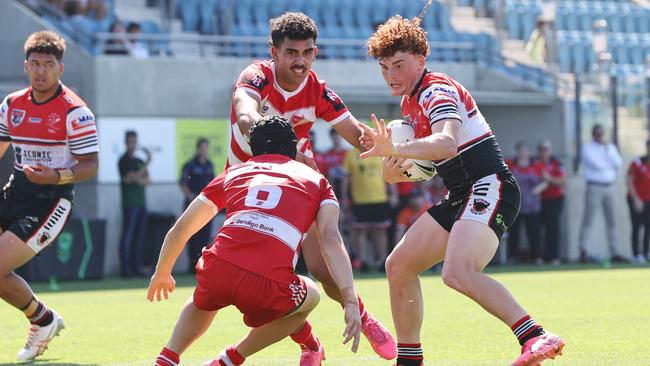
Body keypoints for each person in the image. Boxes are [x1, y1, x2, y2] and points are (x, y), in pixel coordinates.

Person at [362, 16, 565, 366]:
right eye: (384, 67)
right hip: (461, 193)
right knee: (399, 265)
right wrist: (395, 173)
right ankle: (409, 360)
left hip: (489, 184)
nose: (391, 75)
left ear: (421, 60)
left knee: (457, 271)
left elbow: (446, 144)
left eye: (399, 65)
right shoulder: (409, 103)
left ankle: (536, 336)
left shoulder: (435, 89)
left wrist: (396, 151)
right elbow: (427, 165)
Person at [226, 12, 396, 360]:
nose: (300, 61)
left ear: (314, 53)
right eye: (291, 53)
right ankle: (309, 344)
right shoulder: (256, 76)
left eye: (307, 53)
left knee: (322, 268)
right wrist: (264, 132)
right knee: (259, 283)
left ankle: (361, 315)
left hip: (297, 183)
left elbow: (354, 133)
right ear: (273, 52)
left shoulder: (318, 90)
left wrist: (394, 149)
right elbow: (244, 111)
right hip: (247, 186)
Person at [148, 116, 361, 366]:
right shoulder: (317, 181)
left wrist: (162, 272)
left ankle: (168, 357)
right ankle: (230, 359)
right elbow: (331, 240)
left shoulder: (234, 172)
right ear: (293, 148)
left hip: (218, 267)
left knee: (204, 298)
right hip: (267, 282)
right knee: (309, 297)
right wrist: (350, 299)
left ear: (253, 148)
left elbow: (181, 228)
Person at [0, 31, 99, 361]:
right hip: (15, 192)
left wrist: (56, 175)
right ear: (25, 65)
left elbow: (90, 165)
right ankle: (43, 320)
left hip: (52, 201)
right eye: (35, 64)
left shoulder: (76, 112)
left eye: (49, 64)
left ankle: (42, 320)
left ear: (61, 68)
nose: (41, 70)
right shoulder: (12, 104)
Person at [341, 148, 395, 272]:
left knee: (380, 231)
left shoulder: (381, 152)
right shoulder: (351, 154)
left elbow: (389, 174)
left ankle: (382, 262)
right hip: (360, 200)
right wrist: (344, 198)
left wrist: (393, 193)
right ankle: (363, 262)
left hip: (380, 199)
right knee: (360, 231)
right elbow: (346, 179)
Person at [578, 124, 625, 263]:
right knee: (588, 219)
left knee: (612, 221)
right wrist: (608, 163)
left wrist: (606, 150)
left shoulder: (610, 147)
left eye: (602, 134)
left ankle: (615, 251)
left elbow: (618, 162)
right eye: (597, 134)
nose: (600, 137)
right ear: (593, 134)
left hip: (610, 186)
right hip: (594, 186)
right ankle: (583, 250)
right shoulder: (587, 148)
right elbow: (596, 164)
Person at [507, 142, 546, 264]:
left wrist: (538, 189)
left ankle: (537, 257)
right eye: (521, 150)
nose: (523, 153)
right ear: (517, 152)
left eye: (526, 150)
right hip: (516, 204)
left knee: (534, 232)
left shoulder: (537, 165)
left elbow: (545, 181)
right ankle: (512, 257)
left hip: (533, 204)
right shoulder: (510, 164)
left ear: (529, 153)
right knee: (514, 232)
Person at [179, 137, 215, 272]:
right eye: (202, 148)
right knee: (191, 235)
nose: (204, 151)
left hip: (206, 207)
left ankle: (201, 264)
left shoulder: (209, 165)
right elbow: (183, 183)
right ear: (198, 149)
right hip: (192, 206)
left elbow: (212, 183)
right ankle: (191, 265)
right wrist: (192, 198)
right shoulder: (190, 165)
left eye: (206, 148)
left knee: (205, 235)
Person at [118, 130, 151, 277]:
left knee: (140, 237)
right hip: (129, 204)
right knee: (128, 236)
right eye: (130, 141)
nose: (132, 144)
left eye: (134, 141)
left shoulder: (139, 161)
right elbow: (128, 179)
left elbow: (147, 180)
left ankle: (137, 267)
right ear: (126, 142)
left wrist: (137, 178)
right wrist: (146, 166)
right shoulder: (123, 160)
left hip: (141, 203)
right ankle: (125, 269)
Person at [536, 140, 566, 266]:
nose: (544, 152)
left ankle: (553, 257)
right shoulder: (535, 163)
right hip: (537, 200)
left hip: (554, 199)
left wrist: (549, 179)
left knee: (553, 228)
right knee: (537, 229)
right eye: (542, 149)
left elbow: (563, 182)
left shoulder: (557, 164)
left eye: (547, 149)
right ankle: (538, 257)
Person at [626, 139, 650, 264]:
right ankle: (636, 254)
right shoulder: (637, 162)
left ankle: (646, 253)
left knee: (648, 226)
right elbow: (629, 181)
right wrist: (636, 199)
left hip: (649, 200)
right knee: (636, 226)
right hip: (637, 200)